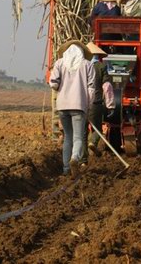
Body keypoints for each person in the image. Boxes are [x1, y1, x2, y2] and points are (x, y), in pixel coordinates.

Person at [49, 40, 95, 178]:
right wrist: (88, 106)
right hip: (79, 105)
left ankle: (66, 169)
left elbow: (53, 83)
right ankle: (75, 158)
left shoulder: (59, 63)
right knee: (78, 137)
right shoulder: (87, 65)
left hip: (62, 106)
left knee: (68, 137)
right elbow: (91, 89)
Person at [82, 42, 115, 160]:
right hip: (95, 104)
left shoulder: (81, 67)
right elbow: (107, 86)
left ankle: (83, 160)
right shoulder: (101, 67)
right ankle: (93, 142)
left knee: (83, 133)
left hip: (81, 104)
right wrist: (110, 105)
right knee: (98, 130)